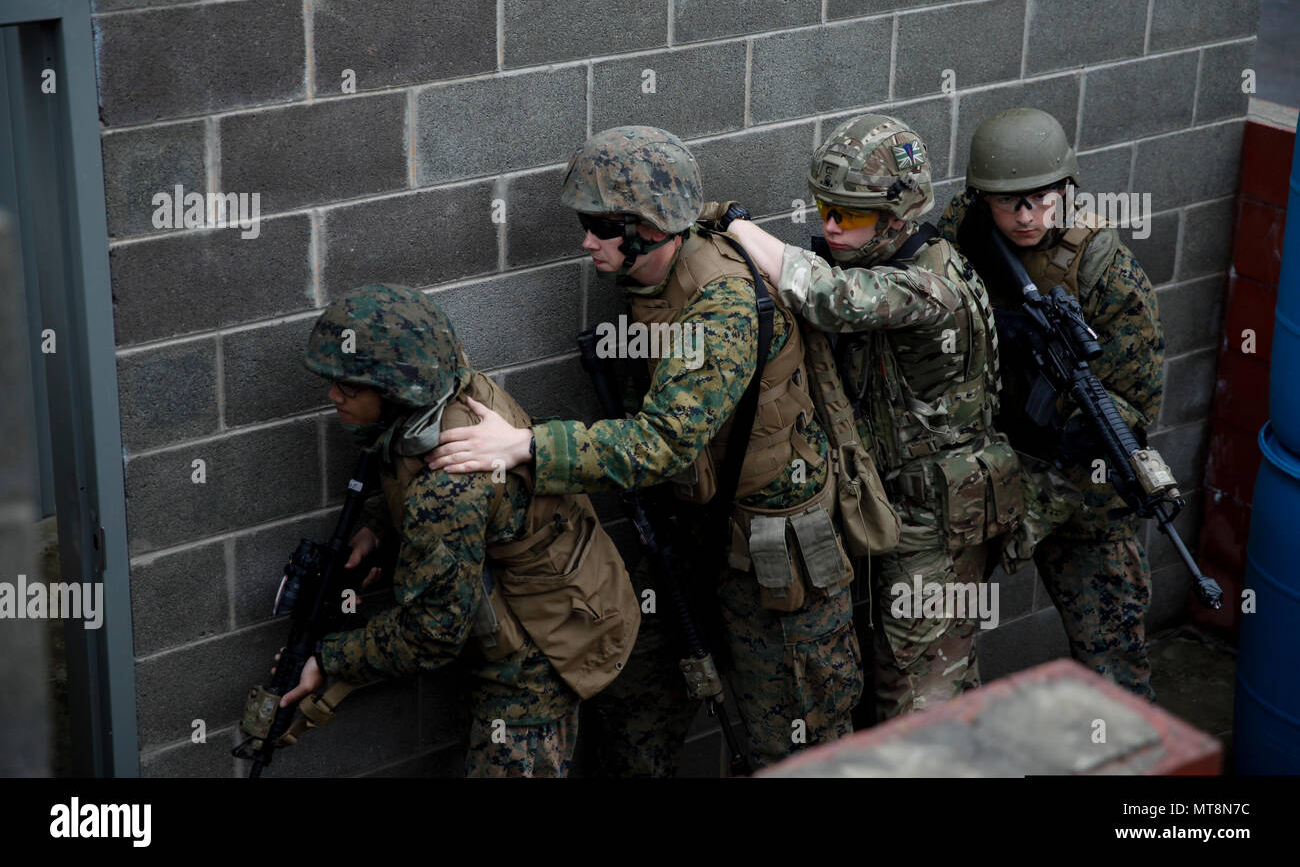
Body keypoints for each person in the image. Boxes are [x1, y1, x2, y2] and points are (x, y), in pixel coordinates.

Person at [428, 126, 863, 773]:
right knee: (635, 714)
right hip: (693, 534)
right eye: (586, 223)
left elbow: (661, 442)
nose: (586, 242)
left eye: (602, 227)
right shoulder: (656, 271)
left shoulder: (722, 309)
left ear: (652, 229)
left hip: (776, 557)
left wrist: (524, 446)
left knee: (799, 747)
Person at [726, 113, 1024, 721]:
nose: (831, 227)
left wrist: (735, 225)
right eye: (823, 208)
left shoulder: (927, 286)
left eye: (851, 216)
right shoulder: (896, 257)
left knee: (920, 703)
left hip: (935, 524)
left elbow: (825, 296)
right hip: (893, 508)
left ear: (898, 217)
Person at [283, 283, 640, 776]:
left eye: (348, 386)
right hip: (531, 612)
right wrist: (375, 532)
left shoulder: (449, 482)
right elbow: (405, 473)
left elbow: (432, 633)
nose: (332, 396)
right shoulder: (445, 391)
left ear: (395, 390)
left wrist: (331, 658)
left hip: (539, 660)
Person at [935, 107, 1162, 701]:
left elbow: (1136, 404)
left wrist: (1077, 426)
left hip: (1076, 485)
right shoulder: (965, 228)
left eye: (1041, 198)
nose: (1026, 216)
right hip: (981, 460)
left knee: (1114, 660)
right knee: (930, 635)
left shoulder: (1107, 274)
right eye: (1009, 202)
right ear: (983, 198)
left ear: (1066, 189)